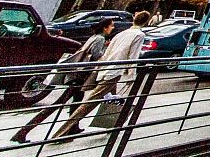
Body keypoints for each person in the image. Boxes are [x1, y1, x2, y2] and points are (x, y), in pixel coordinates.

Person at [13, 19, 116, 142]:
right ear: (105, 27)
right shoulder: (100, 39)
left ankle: (73, 127)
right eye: (111, 26)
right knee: (60, 104)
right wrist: (107, 49)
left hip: (77, 75)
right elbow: (96, 55)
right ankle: (23, 132)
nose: (113, 28)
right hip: (80, 76)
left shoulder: (94, 37)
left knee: (76, 101)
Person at [53, 11, 150, 139]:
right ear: (146, 22)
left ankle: (110, 125)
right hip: (114, 72)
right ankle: (60, 134)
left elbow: (107, 54)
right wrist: (131, 76)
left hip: (106, 70)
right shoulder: (139, 35)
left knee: (111, 101)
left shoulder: (121, 33)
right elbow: (133, 56)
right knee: (90, 103)